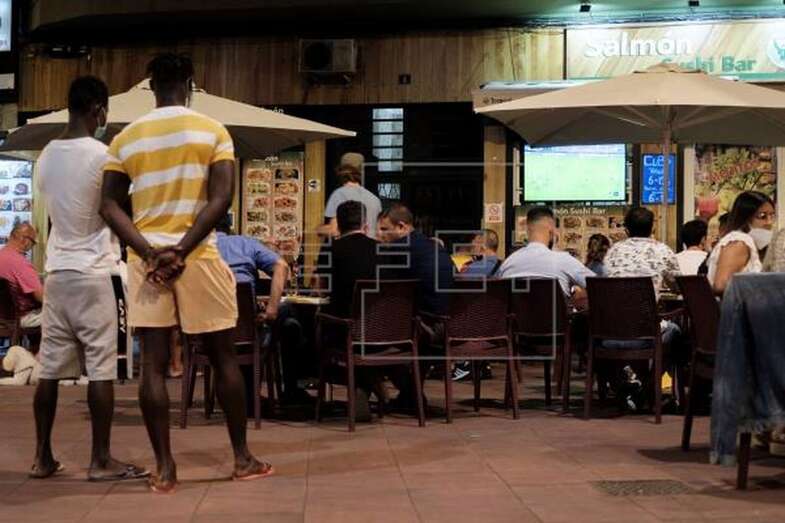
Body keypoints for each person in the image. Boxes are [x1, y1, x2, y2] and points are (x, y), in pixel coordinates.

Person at [100, 53, 271, 493]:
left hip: (147, 261)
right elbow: (221, 199)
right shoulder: (212, 130)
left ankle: (165, 467)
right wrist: (182, 249)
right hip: (199, 255)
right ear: (191, 84)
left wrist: (150, 251)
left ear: (150, 86)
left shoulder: (126, 138)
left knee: (153, 366)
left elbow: (109, 205)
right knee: (223, 357)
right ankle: (242, 458)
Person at [30, 76, 147, 482]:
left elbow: (51, 214)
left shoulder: (46, 155)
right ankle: (100, 460)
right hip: (98, 273)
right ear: (98, 110)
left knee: (48, 370)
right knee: (102, 369)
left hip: (58, 273)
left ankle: (42, 456)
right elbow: (114, 209)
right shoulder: (104, 154)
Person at [315, 200, 387, 420]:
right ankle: (366, 385)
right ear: (364, 222)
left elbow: (322, 288)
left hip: (344, 329)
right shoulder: (382, 249)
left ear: (339, 224)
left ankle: (311, 388)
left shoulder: (331, 248)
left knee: (314, 326)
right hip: (382, 329)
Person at [215, 214, 291, 409]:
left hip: (209, 335)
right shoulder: (244, 243)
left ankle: (237, 394)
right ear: (230, 227)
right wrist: (272, 310)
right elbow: (281, 265)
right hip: (247, 332)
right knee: (280, 318)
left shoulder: (197, 250)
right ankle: (253, 395)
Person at [497, 206, 595, 300]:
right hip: (556, 317)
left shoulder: (508, 264)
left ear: (527, 230)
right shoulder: (564, 261)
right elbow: (600, 286)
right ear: (552, 231)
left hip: (518, 317)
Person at [604, 207, 681, 299]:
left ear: (626, 230)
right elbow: (678, 285)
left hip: (612, 311)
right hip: (646, 312)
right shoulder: (663, 250)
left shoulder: (613, 250)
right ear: (652, 228)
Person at [707, 191, 774, 295]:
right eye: (762, 216)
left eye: (772, 215)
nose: (769, 222)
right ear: (745, 217)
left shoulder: (749, 242)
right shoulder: (739, 242)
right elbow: (721, 285)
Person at [317, 153, 382, 239]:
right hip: (369, 249)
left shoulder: (339, 195)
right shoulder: (375, 200)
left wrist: (317, 229)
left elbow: (334, 230)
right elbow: (378, 233)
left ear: (340, 171)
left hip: (347, 249)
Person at [0, 223, 43, 329]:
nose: (31, 246)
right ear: (25, 240)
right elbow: (41, 297)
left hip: (2, 317)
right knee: (63, 313)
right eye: (33, 243)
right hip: (20, 318)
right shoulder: (21, 263)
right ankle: (38, 346)